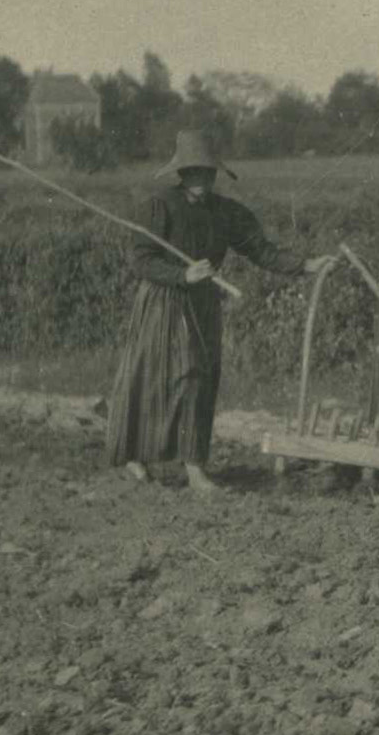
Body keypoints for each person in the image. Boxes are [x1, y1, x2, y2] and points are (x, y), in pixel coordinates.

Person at [105, 130, 335, 491]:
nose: (202, 180)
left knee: (199, 380)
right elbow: (141, 260)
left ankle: (194, 466)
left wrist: (305, 266)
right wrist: (182, 273)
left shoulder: (226, 213)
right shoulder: (160, 205)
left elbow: (261, 250)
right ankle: (135, 457)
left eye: (208, 172)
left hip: (203, 306)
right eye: (195, 172)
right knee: (155, 378)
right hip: (163, 303)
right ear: (181, 173)